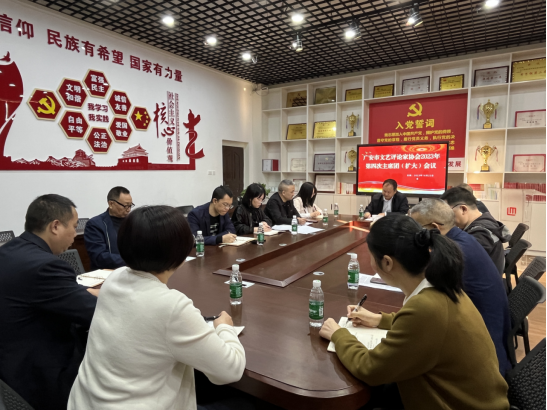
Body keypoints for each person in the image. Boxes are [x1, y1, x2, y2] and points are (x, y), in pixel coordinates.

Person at [319, 214, 509, 410]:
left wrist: (339, 335)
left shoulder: (426, 308)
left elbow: (370, 369)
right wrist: (379, 319)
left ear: (387, 263)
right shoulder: (441, 282)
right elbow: (424, 328)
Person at [68, 206, 246, 410]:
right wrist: (224, 327)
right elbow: (231, 371)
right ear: (180, 254)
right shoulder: (172, 307)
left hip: (86, 402)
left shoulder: (115, 278)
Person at [0, 194, 98, 410]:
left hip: (9, 362)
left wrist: (87, 292)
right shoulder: (45, 266)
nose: (75, 234)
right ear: (55, 226)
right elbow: (95, 313)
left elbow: (49, 292)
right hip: (40, 375)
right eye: (74, 226)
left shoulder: (9, 250)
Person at [410, 199, 512, 376]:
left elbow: (426, 305)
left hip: (482, 361)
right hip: (488, 341)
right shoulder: (462, 239)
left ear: (434, 228)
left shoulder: (454, 254)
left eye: (416, 230)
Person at [441, 187, 510, 274]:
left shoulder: (481, 234)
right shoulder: (484, 223)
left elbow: (455, 262)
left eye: (448, 213)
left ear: (463, 209)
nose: (447, 218)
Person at [84, 186, 134, 270]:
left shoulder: (133, 221)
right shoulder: (95, 224)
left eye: (130, 205)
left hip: (132, 270)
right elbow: (99, 256)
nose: (128, 209)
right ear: (111, 204)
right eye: (125, 206)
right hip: (106, 272)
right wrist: (132, 261)